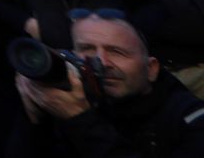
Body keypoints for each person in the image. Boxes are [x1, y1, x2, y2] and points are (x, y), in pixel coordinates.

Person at [19, 11, 204, 156]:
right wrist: (36, 119)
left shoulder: (190, 118)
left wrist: (81, 120)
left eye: (116, 51)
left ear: (151, 68)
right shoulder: (66, 104)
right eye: (87, 49)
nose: (102, 62)